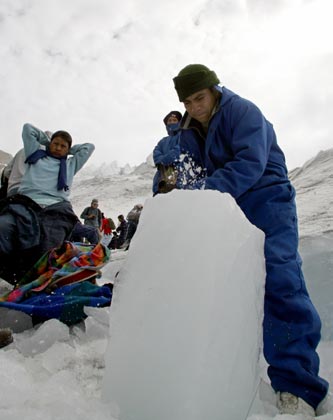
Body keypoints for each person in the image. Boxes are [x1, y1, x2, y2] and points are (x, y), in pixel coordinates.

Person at [167, 64, 328, 416]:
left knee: (280, 278)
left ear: (214, 90)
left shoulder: (243, 111)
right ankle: (225, 377)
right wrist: (172, 193)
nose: (195, 106)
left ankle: (298, 386)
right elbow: (183, 172)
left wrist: (200, 193)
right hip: (228, 208)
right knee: (220, 285)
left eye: (200, 97)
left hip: (268, 199)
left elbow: (250, 163)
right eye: (188, 101)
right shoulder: (189, 131)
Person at [0, 123, 95, 284]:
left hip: (56, 208)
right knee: (3, 228)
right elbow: (27, 129)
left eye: (62, 146)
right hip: (25, 203)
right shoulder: (35, 156)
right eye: (55, 144)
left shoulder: (71, 165)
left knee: (47, 246)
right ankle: (8, 275)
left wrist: (69, 148)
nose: (58, 148)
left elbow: (89, 147)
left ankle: (37, 282)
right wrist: (48, 142)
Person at [152, 110, 207, 195]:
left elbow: (181, 148)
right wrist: (164, 160)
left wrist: (167, 159)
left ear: (179, 122)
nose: (171, 122)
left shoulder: (184, 136)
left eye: (174, 120)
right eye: (169, 121)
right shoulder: (163, 141)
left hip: (180, 176)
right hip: (161, 179)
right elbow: (156, 153)